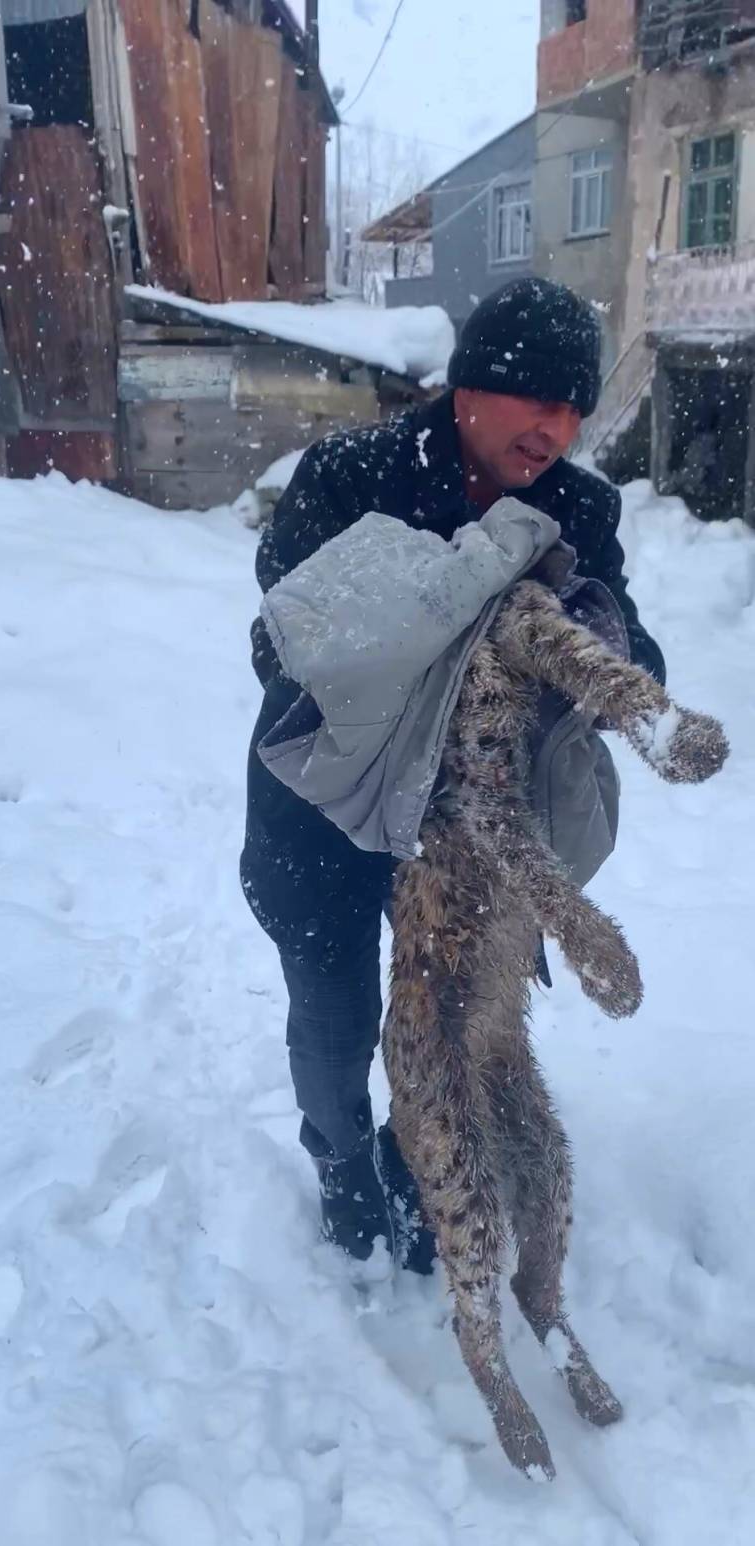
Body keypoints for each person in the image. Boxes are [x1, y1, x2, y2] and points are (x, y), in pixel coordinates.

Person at [240, 278, 665, 1271]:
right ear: (470, 387)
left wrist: (599, 645)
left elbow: (631, 653)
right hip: (323, 811)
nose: (556, 429)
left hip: (465, 831)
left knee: (455, 1025)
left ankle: (422, 1163)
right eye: (537, 400)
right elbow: (286, 640)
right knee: (335, 1012)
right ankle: (344, 1163)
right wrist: (449, 627)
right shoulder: (350, 475)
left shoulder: (576, 506)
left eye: (574, 409)